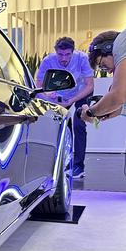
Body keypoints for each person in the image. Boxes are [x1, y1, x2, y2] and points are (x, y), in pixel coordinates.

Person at [36, 37, 93, 179]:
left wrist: (71, 101)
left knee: (79, 124)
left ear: (73, 52)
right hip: (59, 96)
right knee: (57, 126)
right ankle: (60, 163)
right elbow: (39, 86)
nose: (64, 58)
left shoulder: (82, 59)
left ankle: (79, 166)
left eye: (67, 54)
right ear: (56, 52)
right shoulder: (48, 61)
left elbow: (90, 86)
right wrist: (48, 95)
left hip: (80, 94)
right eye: (60, 54)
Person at [79, 29, 126, 125]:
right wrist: (119, 110)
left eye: (103, 65)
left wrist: (90, 112)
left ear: (108, 47)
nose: (109, 71)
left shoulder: (120, 42)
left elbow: (117, 97)